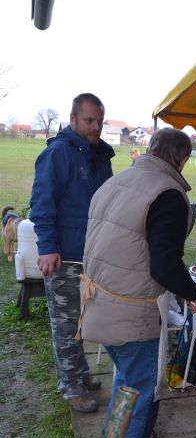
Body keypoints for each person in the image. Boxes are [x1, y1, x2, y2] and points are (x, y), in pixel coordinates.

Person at [78, 127, 196, 438]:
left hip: (98, 302)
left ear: (151, 149)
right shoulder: (167, 194)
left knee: (126, 384)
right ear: (181, 159)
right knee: (145, 391)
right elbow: (164, 265)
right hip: (131, 313)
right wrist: (193, 294)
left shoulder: (118, 182)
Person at [30, 93, 114, 413]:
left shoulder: (100, 157)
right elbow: (42, 204)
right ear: (74, 118)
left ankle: (80, 374)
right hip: (64, 258)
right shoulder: (57, 154)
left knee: (83, 323)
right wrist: (48, 247)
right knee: (66, 326)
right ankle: (70, 386)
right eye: (90, 120)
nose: (95, 127)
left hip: (92, 258)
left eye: (100, 121)